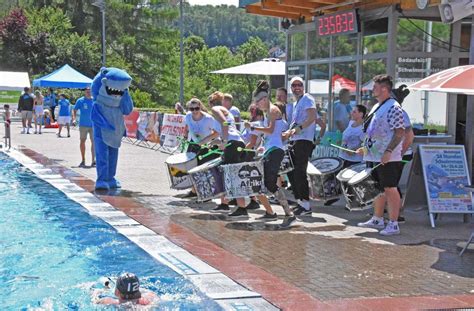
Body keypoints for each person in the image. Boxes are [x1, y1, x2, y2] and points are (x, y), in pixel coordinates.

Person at [357, 74, 405, 236]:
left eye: (375, 87)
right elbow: (374, 132)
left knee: (390, 188)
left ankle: (394, 223)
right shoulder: (377, 106)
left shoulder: (394, 107)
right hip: (374, 156)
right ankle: (378, 218)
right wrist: (365, 148)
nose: (372, 90)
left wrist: (389, 151)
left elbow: (400, 133)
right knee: (377, 189)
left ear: (384, 89)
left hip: (388, 158)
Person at [245, 80, 296, 227]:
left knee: (269, 181)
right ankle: (285, 211)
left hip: (276, 150)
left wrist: (253, 128)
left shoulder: (273, 110)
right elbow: (267, 132)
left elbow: (270, 131)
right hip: (270, 150)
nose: (257, 105)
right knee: (267, 182)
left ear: (265, 99)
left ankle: (287, 211)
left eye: (258, 102)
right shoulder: (268, 111)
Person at [284, 77, 323, 216]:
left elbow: (312, 117)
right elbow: (317, 121)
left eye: (299, 85)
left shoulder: (307, 98)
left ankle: (306, 205)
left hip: (303, 140)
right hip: (296, 139)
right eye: (294, 85)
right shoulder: (296, 103)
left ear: (304, 86)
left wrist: (300, 129)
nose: (297, 87)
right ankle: (301, 202)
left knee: (300, 172)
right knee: (293, 173)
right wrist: (289, 132)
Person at [208, 91, 249, 217]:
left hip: (233, 144)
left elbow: (224, 123)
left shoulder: (215, 109)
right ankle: (226, 203)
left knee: (231, 175)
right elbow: (225, 128)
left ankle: (241, 207)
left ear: (211, 103)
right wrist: (215, 141)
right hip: (236, 142)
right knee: (229, 174)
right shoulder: (226, 110)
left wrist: (224, 142)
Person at [182, 98, 219, 198]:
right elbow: (187, 126)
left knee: (204, 169)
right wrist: (185, 135)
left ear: (200, 107)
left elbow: (216, 133)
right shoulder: (188, 116)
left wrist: (205, 141)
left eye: (196, 108)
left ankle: (207, 193)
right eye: (192, 109)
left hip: (206, 146)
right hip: (193, 143)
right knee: (191, 167)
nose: (194, 111)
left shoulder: (208, 119)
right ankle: (194, 191)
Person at [73, 87, 95, 167]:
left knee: (94, 142)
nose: (88, 93)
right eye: (87, 92)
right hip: (83, 124)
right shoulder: (80, 100)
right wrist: (74, 119)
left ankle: (93, 160)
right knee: (82, 141)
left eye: (90, 91)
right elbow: (74, 110)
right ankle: (83, 160)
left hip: (93, 125)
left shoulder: (94, 100)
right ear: (84, 92)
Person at [339, 104, 367, 169]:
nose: (351, 113)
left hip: (354, 162)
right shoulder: (351, 122)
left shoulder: (363, 128)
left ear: (361, 114)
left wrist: (353, 150)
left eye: (354, 112)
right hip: (342, 157)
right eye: (352, 111)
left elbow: (365, 145)